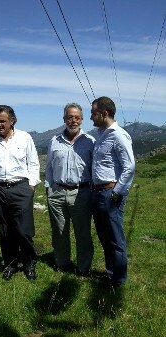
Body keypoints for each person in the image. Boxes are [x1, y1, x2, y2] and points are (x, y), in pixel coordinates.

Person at [0, 105, 40, 281]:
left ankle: (29, 263)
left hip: (21, 188)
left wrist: (31, 186)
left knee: (24, 230)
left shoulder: (24, 138)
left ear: (12, 120)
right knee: (5, 230)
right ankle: (10, 264)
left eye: (2, 121)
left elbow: (34, 163)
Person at [45, 103, 95, 276]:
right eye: (69, 117)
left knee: (82, 232)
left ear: (81, 119)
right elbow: (49, 167)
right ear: (64, 119)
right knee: (59, 231)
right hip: (57, 192)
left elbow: (94, 168)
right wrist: (49, 188)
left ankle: (83, 267)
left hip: (81, 192)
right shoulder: (54, 141)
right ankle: (62, 263)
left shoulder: (90, 142)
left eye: (77, 117)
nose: (73, 120)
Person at [90, 96, 135, 288]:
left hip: (110, 193)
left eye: (93, 113)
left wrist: (117, 192)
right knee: (103, 234)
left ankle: (118, 279)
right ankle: (110, 272)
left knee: (115, 237)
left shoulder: (118, 135)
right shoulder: (100, 133)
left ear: (104, 113)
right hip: (98, 192)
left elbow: (129, 166)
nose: (91, 117)